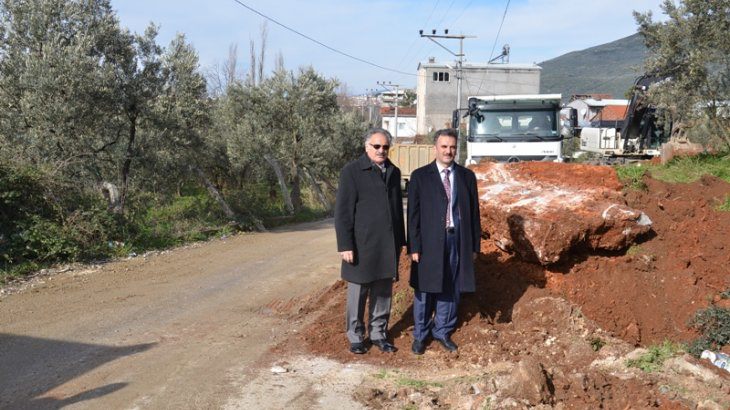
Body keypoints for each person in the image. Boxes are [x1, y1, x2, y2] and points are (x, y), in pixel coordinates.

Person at [407, 128, 481, 355]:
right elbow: (413, 215)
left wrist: (474, 246)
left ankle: (442, 331)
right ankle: (420, 335)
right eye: (444, 147)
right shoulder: (420, 176)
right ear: (435, 149)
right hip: (429, 242)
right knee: (425, 288)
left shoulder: (466, 177)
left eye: (452, 147)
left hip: (456, 241)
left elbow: (474, 214)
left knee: (450, 287)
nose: (448, 151)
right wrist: (414, 246)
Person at [334, 128, 406, 354]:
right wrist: (345, 245)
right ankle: (356, 337)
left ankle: (378, 334)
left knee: (383, 292)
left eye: (385, 147)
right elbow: (343, 212)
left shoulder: (394, 172)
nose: (381, 150)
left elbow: (396, 210)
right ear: (367, 147)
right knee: (358, 292)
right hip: (361, 244)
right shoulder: (352, 172)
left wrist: (400, 241)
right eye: (377, 146)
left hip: (387, 244)